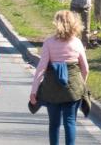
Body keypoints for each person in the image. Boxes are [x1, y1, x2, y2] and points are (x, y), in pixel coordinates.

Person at [30, 10, 89, 145]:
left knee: (54, 124)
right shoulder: (77, 43)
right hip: (73, 89)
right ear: (75, 24)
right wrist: (81, 86)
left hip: (52, 89)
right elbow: (85, 69)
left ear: (57, 23)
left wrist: (34, 90)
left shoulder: (49, 43)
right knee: (70, 122)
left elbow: (41, 68)